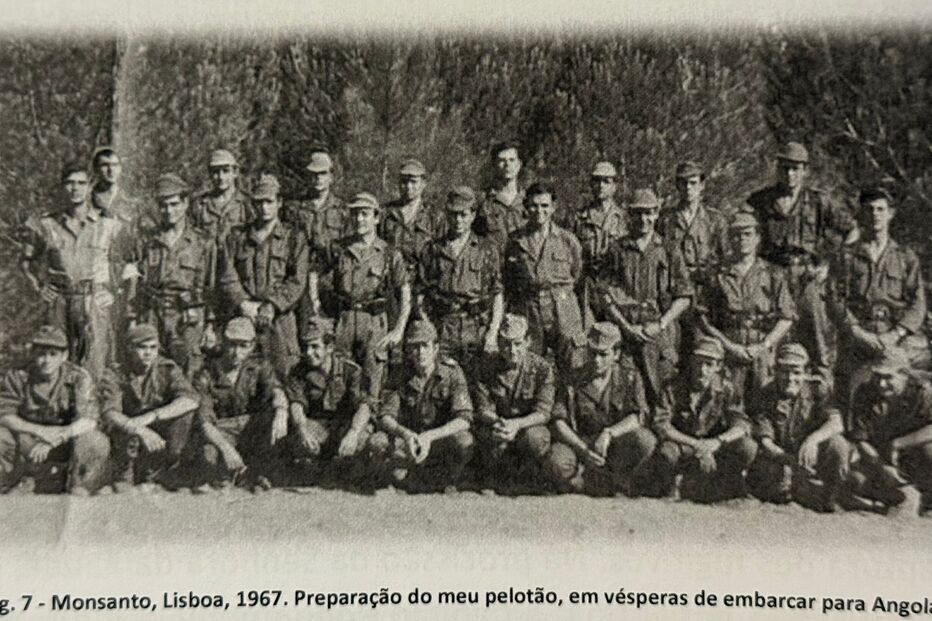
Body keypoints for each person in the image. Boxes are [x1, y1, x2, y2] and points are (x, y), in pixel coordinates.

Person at [746, 141, 858, 381]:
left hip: (806, 275)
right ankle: (766, 389)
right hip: (771, 277)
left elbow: (852, 231)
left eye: (796, 168)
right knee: (765, 334)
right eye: (785, 168)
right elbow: (742, 230)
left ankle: (823, 392)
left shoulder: (818, 202)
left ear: (805, 170)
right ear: (778, 168)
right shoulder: (760, 201)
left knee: (817, 333)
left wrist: (829, 264)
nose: (790, 174)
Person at [20, 162, 126, 380]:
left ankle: (90, 410)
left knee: (94, 360)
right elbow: (25, 262)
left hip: (93, 300)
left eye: (81, 183)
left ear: (90, 186)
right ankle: (60, 409)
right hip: (59, 300)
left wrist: (115, 292)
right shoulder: (45, 224)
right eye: (69, 183)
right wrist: (39, 287)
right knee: (56, 358)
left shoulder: (109, 224)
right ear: (61, 186)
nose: (75, 188)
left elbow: (129, 263)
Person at [829, 186, 929, 406]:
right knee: (849, 399)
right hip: (856, 338)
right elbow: (834, 297)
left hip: (892, 339)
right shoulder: (846, 256)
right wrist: (857, 331)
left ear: (891, 213)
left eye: (881, 209)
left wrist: (895, 334)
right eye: (869, 209)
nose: (875, 214)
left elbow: (918, 303)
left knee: (895, 397)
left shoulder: (905, 256)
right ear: (861, 214)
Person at [593, 188, 693, 401]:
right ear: (630, 215)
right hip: (625, 332)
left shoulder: (669, 249)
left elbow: (684, 296)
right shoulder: (617, 249)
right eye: (638, 213)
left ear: (657, 213)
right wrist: (626, 327)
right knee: (627, 389)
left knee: (663, 389)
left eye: (648, 213)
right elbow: (604, 293)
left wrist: (662, 323)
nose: (643, 219)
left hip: (660, 332)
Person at [310, 192, 411, 396]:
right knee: (339, 379)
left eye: (365, 214)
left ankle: (368, 425)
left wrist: (399, 329)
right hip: (344, 321)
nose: (359, 219)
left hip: (375, 323)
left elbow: (405, 293)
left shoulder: (389, 253)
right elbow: (314, 272)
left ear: (376, 218)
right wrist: (316, 306)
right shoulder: (339, 248)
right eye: (355, 214)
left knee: (372, 383)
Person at [123, 173, 217, 375]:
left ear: (185, 203)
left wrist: (210, 325)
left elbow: (211, 287)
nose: (168, 211)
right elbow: (133, 282)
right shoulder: (146, 242)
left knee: (191, 370)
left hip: (187, 317)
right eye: (163, 206)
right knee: (151, 371)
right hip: (152, 315)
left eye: (174, 204)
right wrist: (131, 319)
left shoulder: (203, 243)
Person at [547, 322, 655, 495]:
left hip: (613, 446)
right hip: (580, 443)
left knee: (645, 440)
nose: (597, 360)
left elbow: (638, 416)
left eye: (603, 354)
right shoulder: (572, 378)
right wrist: (582, 449)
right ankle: (585, 481)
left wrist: (609, 433)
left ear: (616, 354)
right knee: (557, 461)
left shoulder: (629, 377)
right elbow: (558, 420)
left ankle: (617, 481)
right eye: (592, 353)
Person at [0, 326, 110, 494]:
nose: (46, 361)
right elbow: (5, 415)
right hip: (29, 442)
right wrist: (40, 430)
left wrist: (57, 437)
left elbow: (89, 420)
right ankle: (12, 481)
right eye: (41, 354)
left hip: (66, 441)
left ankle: (80, 485)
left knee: (95, 441)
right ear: (32, 353)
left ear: (64, 356)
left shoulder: (78, 377)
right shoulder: (18, 376)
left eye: (53, 354)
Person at [647, 335, 757, 501]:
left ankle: (724, 484)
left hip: (714, 447)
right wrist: (696, 445)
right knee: (667, 452)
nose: (702, 369)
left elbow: (741, 424)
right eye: (698, 362)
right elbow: (661, 424)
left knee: (748, 447)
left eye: (709, 364)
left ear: (718, 366)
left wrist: (717, 442)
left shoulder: (727, 388)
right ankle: (671, 485)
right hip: (683, 445)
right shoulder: (673, 386)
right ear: (691, 361)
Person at [369, 319, 474, 492]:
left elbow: (464, 419)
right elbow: (386, 416)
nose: (420, 352)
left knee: (464, 440)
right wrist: (406, 434)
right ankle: (389, 482)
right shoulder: (399, 374)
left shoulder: (452, 372)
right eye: (414, 347)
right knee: (377, 441)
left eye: (425, 346)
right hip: (408, 440)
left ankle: (449, 481)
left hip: (438, 440)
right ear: (409, 351)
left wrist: (430, 436)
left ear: (435, 348)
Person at [699, 212, 796, 398]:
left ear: (758, 238)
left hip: (762, 351)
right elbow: (704, 317)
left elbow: (786, 317)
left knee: (763, 402)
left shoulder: (773, 273)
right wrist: (729, 346)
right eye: (735, 235)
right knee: (728, 400)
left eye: (747, 234)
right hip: (728, 350)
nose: (741, 239)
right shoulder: (716, 275)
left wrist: (764, 345)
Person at [218, 174, 308, 375]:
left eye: (269, 202)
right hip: (243, 318)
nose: (264, 208)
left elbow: (297, 280)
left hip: (279, 321)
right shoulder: (237, 236)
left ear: (279, 203)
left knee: (284, 375)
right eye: (259, 203)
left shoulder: (293, 238)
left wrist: (272, 305)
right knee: (240, 375)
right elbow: (226, 273)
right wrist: (242, 303)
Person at [746, 343, 850, 508]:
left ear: (806, 373)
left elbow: (836, 423)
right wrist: (792, 463)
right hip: (779, 456)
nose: (790, 378)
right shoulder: (765, 393)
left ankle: (831, 495)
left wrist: (812, 440)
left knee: (838, 444)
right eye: (784, 372)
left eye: (796, 372)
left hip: (807, 452)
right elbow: (766, 442)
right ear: (776, 371)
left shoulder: (817, 389)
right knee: (777, 493)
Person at [99, 324, 200, 492]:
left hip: (157, 432)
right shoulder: (115, 373)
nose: (148, 353)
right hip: (127, 434)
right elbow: (110, 412)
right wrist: (140, 429)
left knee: (185, 414)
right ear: (130, 348)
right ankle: (125, 474)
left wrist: (153, 416)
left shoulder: (167, 368)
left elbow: (191, 399)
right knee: (121, 426)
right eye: (142, 347)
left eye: (153, 348)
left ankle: (165, 472)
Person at [193, 317, 289, 491]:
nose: (236, 352)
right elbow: (204, 420)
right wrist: (225, 448)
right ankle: (227, 477)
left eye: (243, 346)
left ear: (252, 346)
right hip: (222, 430)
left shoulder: (259, 367)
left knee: (274, 428)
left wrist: (281, 412)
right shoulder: (207, 372)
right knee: (209, 456)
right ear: (223, 342)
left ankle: (256, 474)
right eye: (232, 345)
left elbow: (276, 390)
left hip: (251, 428)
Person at [417, 186, 503, 376]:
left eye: (463, 214)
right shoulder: (432, 249)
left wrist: (493, 332)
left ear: (473, 215)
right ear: (446, 214)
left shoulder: (487, 249)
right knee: (442, 381)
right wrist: (429, 328)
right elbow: (421, 294)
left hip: (476, 328)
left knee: (478, 385)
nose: (458, 220)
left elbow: (496, 293)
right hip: (443, 328)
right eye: (453, 214)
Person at [503, 182, 585, 373]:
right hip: (529, 309)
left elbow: (577, 274)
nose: (539, 211)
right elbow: (509, 279)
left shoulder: (567, 240)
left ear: (554, 207)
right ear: (525, 206)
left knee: (572, 367)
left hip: (563, 309)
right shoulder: (516, 240)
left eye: (544, 206)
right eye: (533, 205)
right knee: (531, 367)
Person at [282, 316, 373, 485]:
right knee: (297, 439)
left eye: (315, 347)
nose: (309, 353)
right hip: (317, 427)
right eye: (306, 347)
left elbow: (364, 406)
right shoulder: (299, 372)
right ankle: (322, 468)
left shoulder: (351, 370)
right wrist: (303, 431)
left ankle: (340, 469)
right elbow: (296, 404)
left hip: (343, 427)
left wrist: (353, 433)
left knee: (363, 439)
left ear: (329, 347)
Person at [843, 349, 932, 518]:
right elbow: (860, 439)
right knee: (855, 480)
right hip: (879, 458)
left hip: (915, 455)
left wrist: (899, 443)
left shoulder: (923, 391)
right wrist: (882, 467)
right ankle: (899, 496)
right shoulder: (865, 392)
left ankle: (928, 502)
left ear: (904, 375)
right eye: (877, 376)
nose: (881, 384)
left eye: (888, 377)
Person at [473, 314, 555, 492]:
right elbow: (483, 408)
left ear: (528, 341)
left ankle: (531, 479)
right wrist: (499, 423)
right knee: (488, 436)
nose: (511, 350)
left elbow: (543, 411)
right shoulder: (487, 367)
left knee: (536, 439)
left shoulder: (542, 368)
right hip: (498, 425)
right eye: (505, 343)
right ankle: (494, 479)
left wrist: (516, 424)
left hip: (527, 426)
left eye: (517, 343)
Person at [283, 147, 348, 340]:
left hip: (331, 281)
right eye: (313, 174)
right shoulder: (294, 209)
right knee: (305, 334)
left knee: (333, 335)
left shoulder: (343, 210)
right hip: (300, 280)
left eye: (322, 173)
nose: (318, 179)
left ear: (331, 176)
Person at [570, 161, 627, 328]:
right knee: (588, 333)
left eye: (606, 181)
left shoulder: (624, 219)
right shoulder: (580, 218)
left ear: (615, 186)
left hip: (615, 285)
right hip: (588, 284)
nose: (601, 186)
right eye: (597, 181)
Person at [378, 159, 443, 272]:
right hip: (391, 278)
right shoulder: (386, 213)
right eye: (404, 182)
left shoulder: (435, 216)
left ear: (423, 184)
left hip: (422, 282)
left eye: (413, 182)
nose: (408, 186)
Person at [189, 149, 251, 246]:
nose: (221, 177)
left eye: (225, 171)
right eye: (215, 172)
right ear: (210, 174)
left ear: (235, 172)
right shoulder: (200, 204)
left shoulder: (247, 202)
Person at [474, 141, 526, 250]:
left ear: (519, 164)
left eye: (512, 160)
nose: (507, 164)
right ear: (494, 165)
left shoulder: (530, 201)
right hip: (490, 263)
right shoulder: (482, 200)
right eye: (502, 160)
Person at [90, 146, 144, 231]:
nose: (110, 169)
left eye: (115, 165)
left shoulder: (131, 201)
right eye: (105, 165)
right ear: (96, 169)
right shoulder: (87, 199)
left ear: (120, 168)